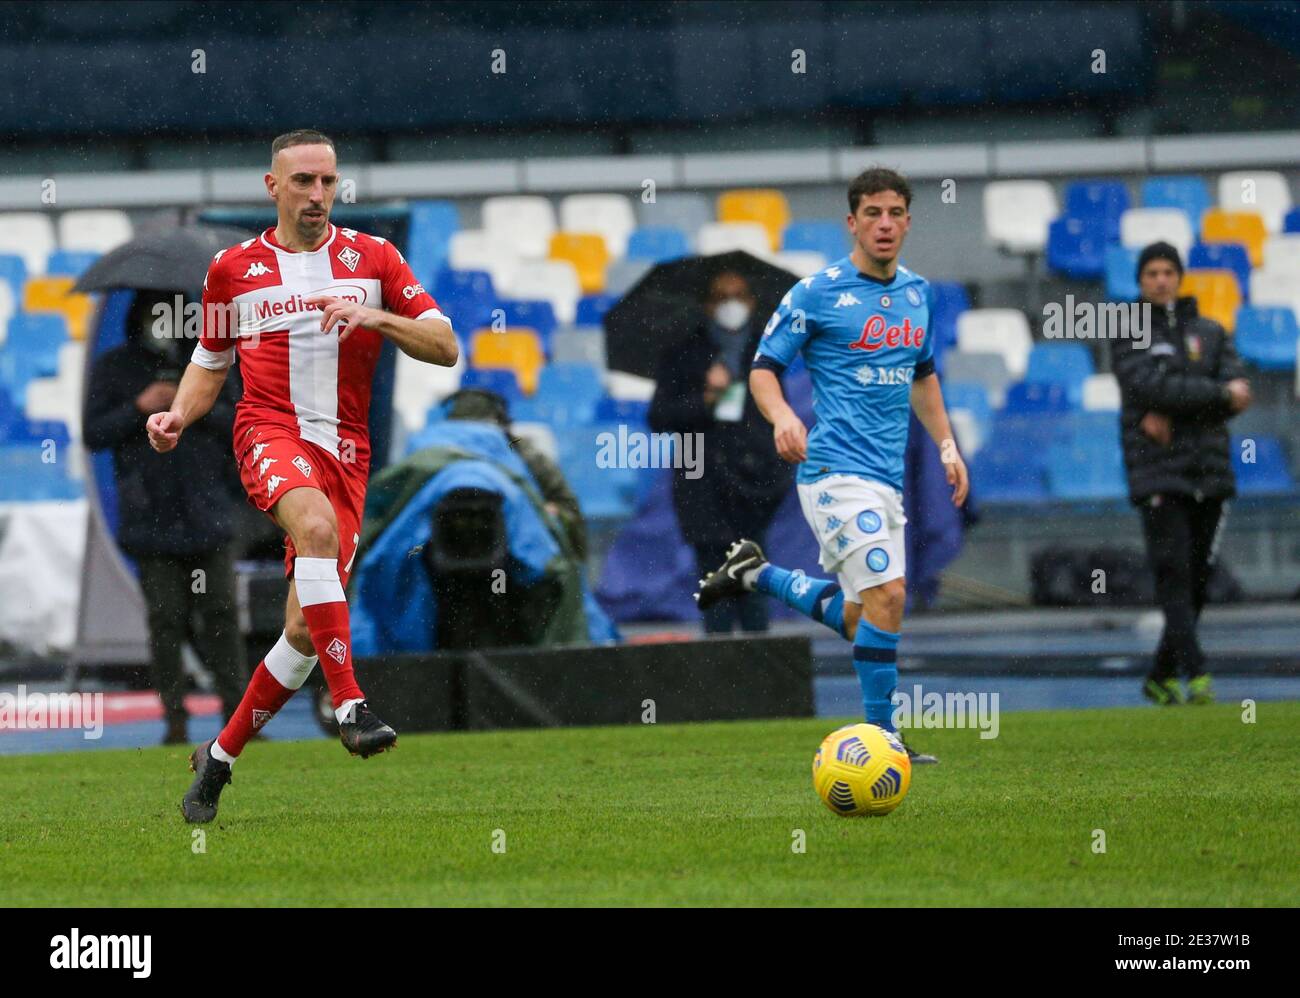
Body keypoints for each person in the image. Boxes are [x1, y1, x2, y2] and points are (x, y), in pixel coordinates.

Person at [148, 130, 458, 822]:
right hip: (269, 432)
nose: (318, 194)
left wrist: (375, 313)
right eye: (303, 182)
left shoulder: (373, 258)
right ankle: (351, 705)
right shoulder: (233, 269)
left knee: (300, 632)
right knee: (312, 528)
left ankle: (218, 761)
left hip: (347, 455)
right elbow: (210, 360)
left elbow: (446, 345)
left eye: (327, 182)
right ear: (273, 186)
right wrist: (177, 415)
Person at [694, 167, 969, 763]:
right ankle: (884, 741)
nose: (885, 224)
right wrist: (783, 418)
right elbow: (763, 369)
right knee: (890, 597)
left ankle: (757, 574)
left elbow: (923, 377)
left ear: (909, 221)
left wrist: (947, 445)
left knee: (862, 615)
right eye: (873, 213)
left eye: (895, 212)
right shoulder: (816, 292)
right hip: (834, 473)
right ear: (853, 222)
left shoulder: (918, 294)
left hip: (886, 480)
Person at [84, 289, 248, 745]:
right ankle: (174, 720)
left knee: (220, 615)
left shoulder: (212, 363)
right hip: (151, 518)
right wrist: (139, 407)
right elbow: (93, 433)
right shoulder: (116, 367)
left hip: (207, 512)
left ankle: (238, 719)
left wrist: (188, 405)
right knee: (166, 618)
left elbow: (239, 421)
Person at [1111, 241, 1250, 706]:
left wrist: (1177, 401)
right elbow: (1148, 384)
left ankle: (1160, 674)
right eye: (1152, 272)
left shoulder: (1211, 330)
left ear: (1180, 276)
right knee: (1173, 571)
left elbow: (1239, 390)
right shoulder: (1127, 328)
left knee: (1199, 578)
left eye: (1168, 271)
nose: (1161, 280)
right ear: (1140, 279)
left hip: (1209, 469)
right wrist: (1215, 395)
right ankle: (1198, 672)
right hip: (1156, 468)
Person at [649, 270, 793, 633]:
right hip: (703, 484)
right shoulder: (684, 354)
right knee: (715, 588)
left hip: (753, 484)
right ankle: (719, 676)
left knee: (752, 584)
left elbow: (776, 415)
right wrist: (706, 398)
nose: (731, 304)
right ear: (707, 304)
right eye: (721, 296)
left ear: (752, 301)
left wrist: (771, 471)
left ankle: (760, 673)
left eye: (739, 294)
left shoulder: (766, 354)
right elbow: (659, 417)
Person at [443, 387, 588, 561]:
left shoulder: (528, 460)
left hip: (520, 558)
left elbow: (571, 521)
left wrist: (546, 515)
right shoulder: (439, 462)